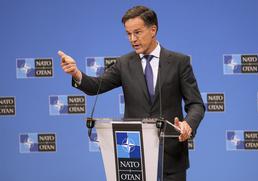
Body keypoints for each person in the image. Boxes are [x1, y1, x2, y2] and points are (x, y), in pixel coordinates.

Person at [59, 5, 205, 181]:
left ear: (153, 30)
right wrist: (76, 73)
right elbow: (95, 86)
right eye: (128, 34)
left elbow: (196, 104)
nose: (132, 39)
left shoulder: (179, 62)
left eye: (137, 32)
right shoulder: (123, 63)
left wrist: (187, 125)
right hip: (133, 159)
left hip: (171, 158)